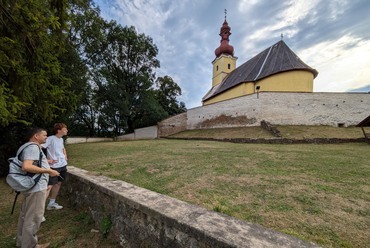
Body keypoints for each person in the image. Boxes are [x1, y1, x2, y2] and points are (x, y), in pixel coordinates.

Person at [16, 127, 60, 248]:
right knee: (34, 217)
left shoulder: (26, 146)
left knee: (25, 215)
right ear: (36, 136)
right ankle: (30, 245)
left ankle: (21, 241)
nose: (46, 137)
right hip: (36, 188)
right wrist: (48, 171)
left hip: (30, 186)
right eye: (44, 135)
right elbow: (26, 166)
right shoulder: (33, 147)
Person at [42, 123, 68, 210]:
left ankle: (51, 203)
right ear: (59, 130)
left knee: (58, 183)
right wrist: (47, 160)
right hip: (54, 167)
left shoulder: (61, 139)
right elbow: (38, 147)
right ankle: (38, 210)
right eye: (65, 129)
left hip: (62, 165)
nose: (66, 130)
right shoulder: (50, 139)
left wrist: (65, 155)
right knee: (49, 186)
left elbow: (62, 148)